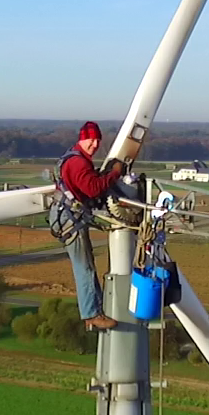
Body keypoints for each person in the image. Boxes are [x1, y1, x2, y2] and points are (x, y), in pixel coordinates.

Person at [56, 121, 126, 331]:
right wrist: (114, 174)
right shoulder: (78, 163)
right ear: (81, 138)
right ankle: (91, 313)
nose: (94, 144)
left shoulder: (73, 157)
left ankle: (94, 310)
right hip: (71, 219)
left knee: (86, 264)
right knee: (84, 267)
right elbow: (93, 188)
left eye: (97, 140)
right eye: (91, 139)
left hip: (67, 217)